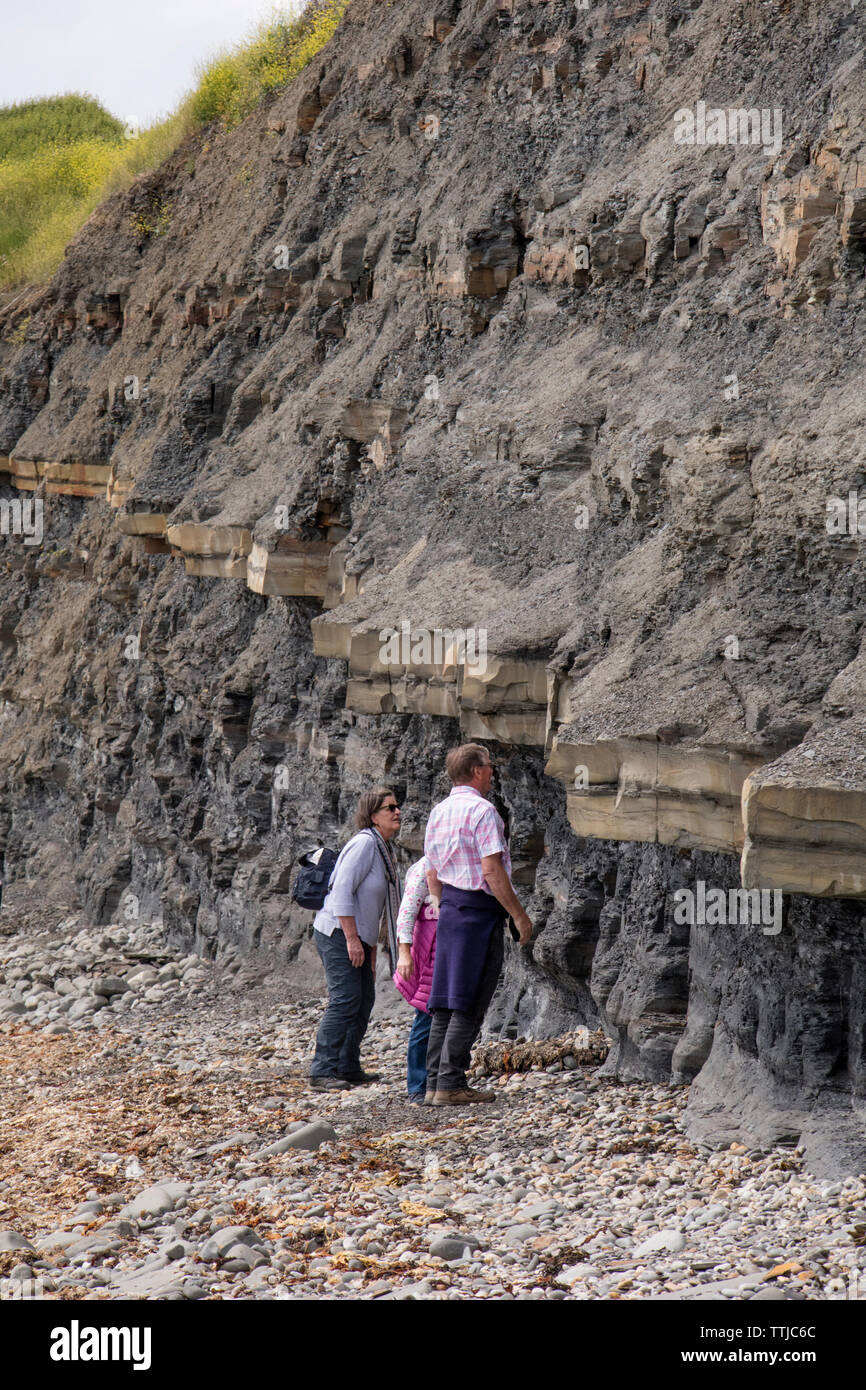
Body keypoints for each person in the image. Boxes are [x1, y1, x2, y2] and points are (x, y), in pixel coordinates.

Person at [423, 743, 532, 1106]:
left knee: (445, 1001)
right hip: (478, 911)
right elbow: (491, 870)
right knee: (468, 1000)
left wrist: (443, 904)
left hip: (451, 908)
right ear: (475, 771)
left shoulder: (439, 811)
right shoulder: (483, 811)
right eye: (488, 766)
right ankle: (451, 1084)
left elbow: (432, 872)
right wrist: (518, 914)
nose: (492, 772)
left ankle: (433, 1084)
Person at [309, 787, 402, 1092]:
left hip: (358, 936)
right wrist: (352, 939)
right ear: (374, 816)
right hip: (337, 932)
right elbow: (341, 894)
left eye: (396, 806)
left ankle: (347, 1067)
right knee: (346, 999)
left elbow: (373, 907)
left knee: (364, 1000)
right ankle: (322, 1071)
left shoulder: (383, 849)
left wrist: (371, 948)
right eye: (390, 808)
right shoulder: (364, 844)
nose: (397, 812)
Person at [393, 855, 439, 1103]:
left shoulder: (454, 862)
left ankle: (435, 1082)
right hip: (427, 951)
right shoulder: (425, 866)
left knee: (437, 1017)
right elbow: (407, 911)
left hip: (441, 949)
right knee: (426, 1016)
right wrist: (404, 954)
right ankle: (418, 1087)